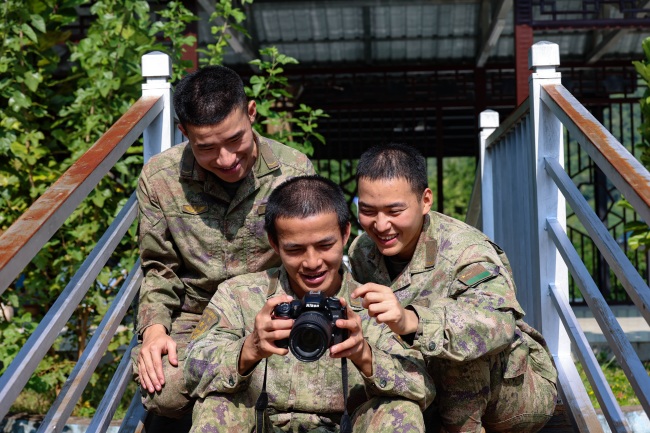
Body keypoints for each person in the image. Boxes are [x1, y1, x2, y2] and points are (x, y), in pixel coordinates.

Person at [132, 65, 316, 419]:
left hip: (275, 307)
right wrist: (154, 331)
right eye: (207, 148)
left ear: (251, 113)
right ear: (184, 133)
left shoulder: (294, 170)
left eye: (235, 140)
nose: (226, 159)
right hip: (198, 313)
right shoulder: (160, 179)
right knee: (163, 391)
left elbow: (310, 258)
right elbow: (159, 268)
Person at [184, 176, 433, 433]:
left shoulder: (371, 304)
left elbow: (422, 387)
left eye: (325, 245)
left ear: (345, 233)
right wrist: (249, 349)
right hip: (263, 424)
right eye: (295, 250)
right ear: (274, 243)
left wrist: (365, 354)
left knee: (401, 411)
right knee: (216, 406)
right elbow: (191, 371)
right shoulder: (240, 296)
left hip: (345, 427)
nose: (312, 262)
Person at [347, 143, 558, 433]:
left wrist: (412, 321)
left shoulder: (465, 250)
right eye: (368, 210)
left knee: (455, 349)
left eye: (395, 211)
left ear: (425, 200)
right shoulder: (361, 250)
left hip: (513, 392)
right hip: (424, 387)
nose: (381, 225)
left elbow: (498, 324)